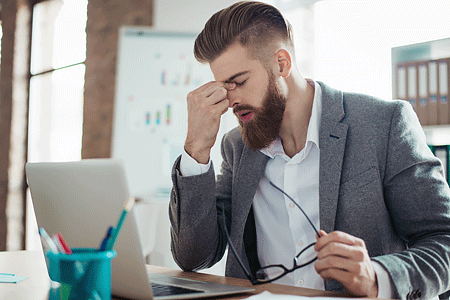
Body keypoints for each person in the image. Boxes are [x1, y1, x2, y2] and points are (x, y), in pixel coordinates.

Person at [168, 1, 450, 299]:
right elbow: (194, 258)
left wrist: (376, 276)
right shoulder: (236, 147)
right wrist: (196, 149)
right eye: (223, 87)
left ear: (282, 63)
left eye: (238, 82)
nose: (229, 100)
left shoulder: (383, 124)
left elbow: (443, 240)